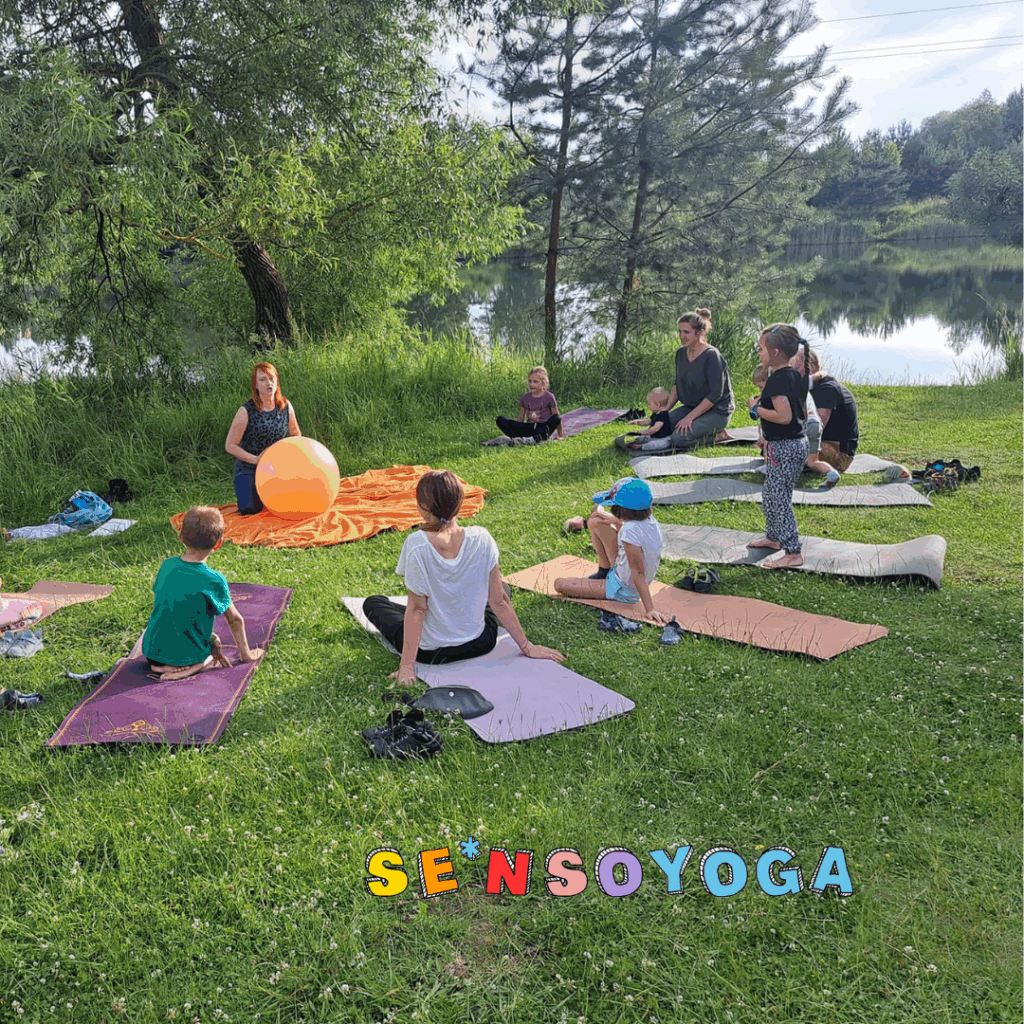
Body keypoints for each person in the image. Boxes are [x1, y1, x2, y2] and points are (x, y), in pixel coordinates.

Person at [362, 470, 565, 686]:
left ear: (422, 508)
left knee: (374, 603)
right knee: (502, 588)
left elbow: (417, 610)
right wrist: (526, 646)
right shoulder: (482, 537)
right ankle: (445, 612)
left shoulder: (417, 545)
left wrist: (406, 666)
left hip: (432, 653)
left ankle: (438, 614)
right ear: (460, 504)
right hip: (481, 642)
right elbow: (499, 601)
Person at [142, 506, 263, 681]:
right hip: (188, 656)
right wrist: (247, 655)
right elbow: (235, 619)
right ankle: (193, 667)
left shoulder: (167, 565)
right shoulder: (213, 580)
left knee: (204, 636)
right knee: (214, 645)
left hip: (152, 651)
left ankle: (160, 667)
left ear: (180, 536)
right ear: (218, 544)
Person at [554, 478, 669, 630]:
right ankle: (603, 572)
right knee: (595, 521)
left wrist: (649, 608)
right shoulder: (649, 520)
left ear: (621, 509)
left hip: (622, 590)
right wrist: (615, 521)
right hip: (622, 573)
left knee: (559, 584)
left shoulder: (630, 532)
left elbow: (638, 572)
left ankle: (605, 578)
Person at [746, 324, 810, 569]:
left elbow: (784, 416)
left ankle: (793, 552)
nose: (758, 352)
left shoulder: (778, 380)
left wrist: (756, 408)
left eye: (761, 349)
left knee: (779, 498)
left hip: (786, 447)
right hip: (790, 444)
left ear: (775, 352)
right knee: (771, 493)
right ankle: (773, 538)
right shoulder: (793, 374)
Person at [224, 362, 301, 515]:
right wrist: (255, 460)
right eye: (263, 379)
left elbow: (296, 435)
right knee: (249, 509)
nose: (268, 383)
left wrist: (288, 454)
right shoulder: (246, 411)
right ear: (256, 385)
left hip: (278, 467)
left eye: (271, 378)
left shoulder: (286, 406)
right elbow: (230, 445)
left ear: (277, 381)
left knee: (290, 505)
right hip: (249, 467)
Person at [663, 308, 735, 449]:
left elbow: (715, 394)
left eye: (686, 332)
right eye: (680, 331)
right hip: (692, 407)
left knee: (679, 438)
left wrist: (689, 418)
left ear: (699, 333)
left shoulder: (712, 355)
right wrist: (665, 411)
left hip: (717, 411)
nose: (682, 336)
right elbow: (677, 385)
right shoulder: (681, 354)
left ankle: (718, 436)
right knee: (661, 426)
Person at [791, 345, 840, 486]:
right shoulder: (806, 385)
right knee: (814, 462)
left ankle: (776, 470)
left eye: (795, 366)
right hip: (816, 425)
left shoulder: (794, 386)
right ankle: (831, 473)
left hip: (808, 427)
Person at [807, 351, 860, 476]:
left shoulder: (826, 389)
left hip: (839, 455)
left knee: (786, 446)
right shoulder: (813, 387)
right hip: (825, 445)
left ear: (810, 367)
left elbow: (815, 428)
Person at [495, 366, 564, 444]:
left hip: (541, 427)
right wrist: (517, 427)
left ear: (543, 383)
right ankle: (521, 438)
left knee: (556, 418)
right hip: (528, 427)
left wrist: (561, 436)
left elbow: (557, 417)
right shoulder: (525, 397)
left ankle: (533, 439)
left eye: (535, 382)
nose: (531, 384)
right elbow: (521, 418)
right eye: (530, 381)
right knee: (500, 420)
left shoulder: (549, 397)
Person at [625, 387, 674, 452]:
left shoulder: (663, 415)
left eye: (649, 404)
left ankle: (640, 446)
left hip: (663, 439)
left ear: (657, 404)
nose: (648, 406)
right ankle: (636, 442)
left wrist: (645, 432)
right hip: (653, 437)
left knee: (654, 444)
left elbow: (655, 429)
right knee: (641, 437)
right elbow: (649, 422)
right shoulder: (656, 413)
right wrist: (637, 422)